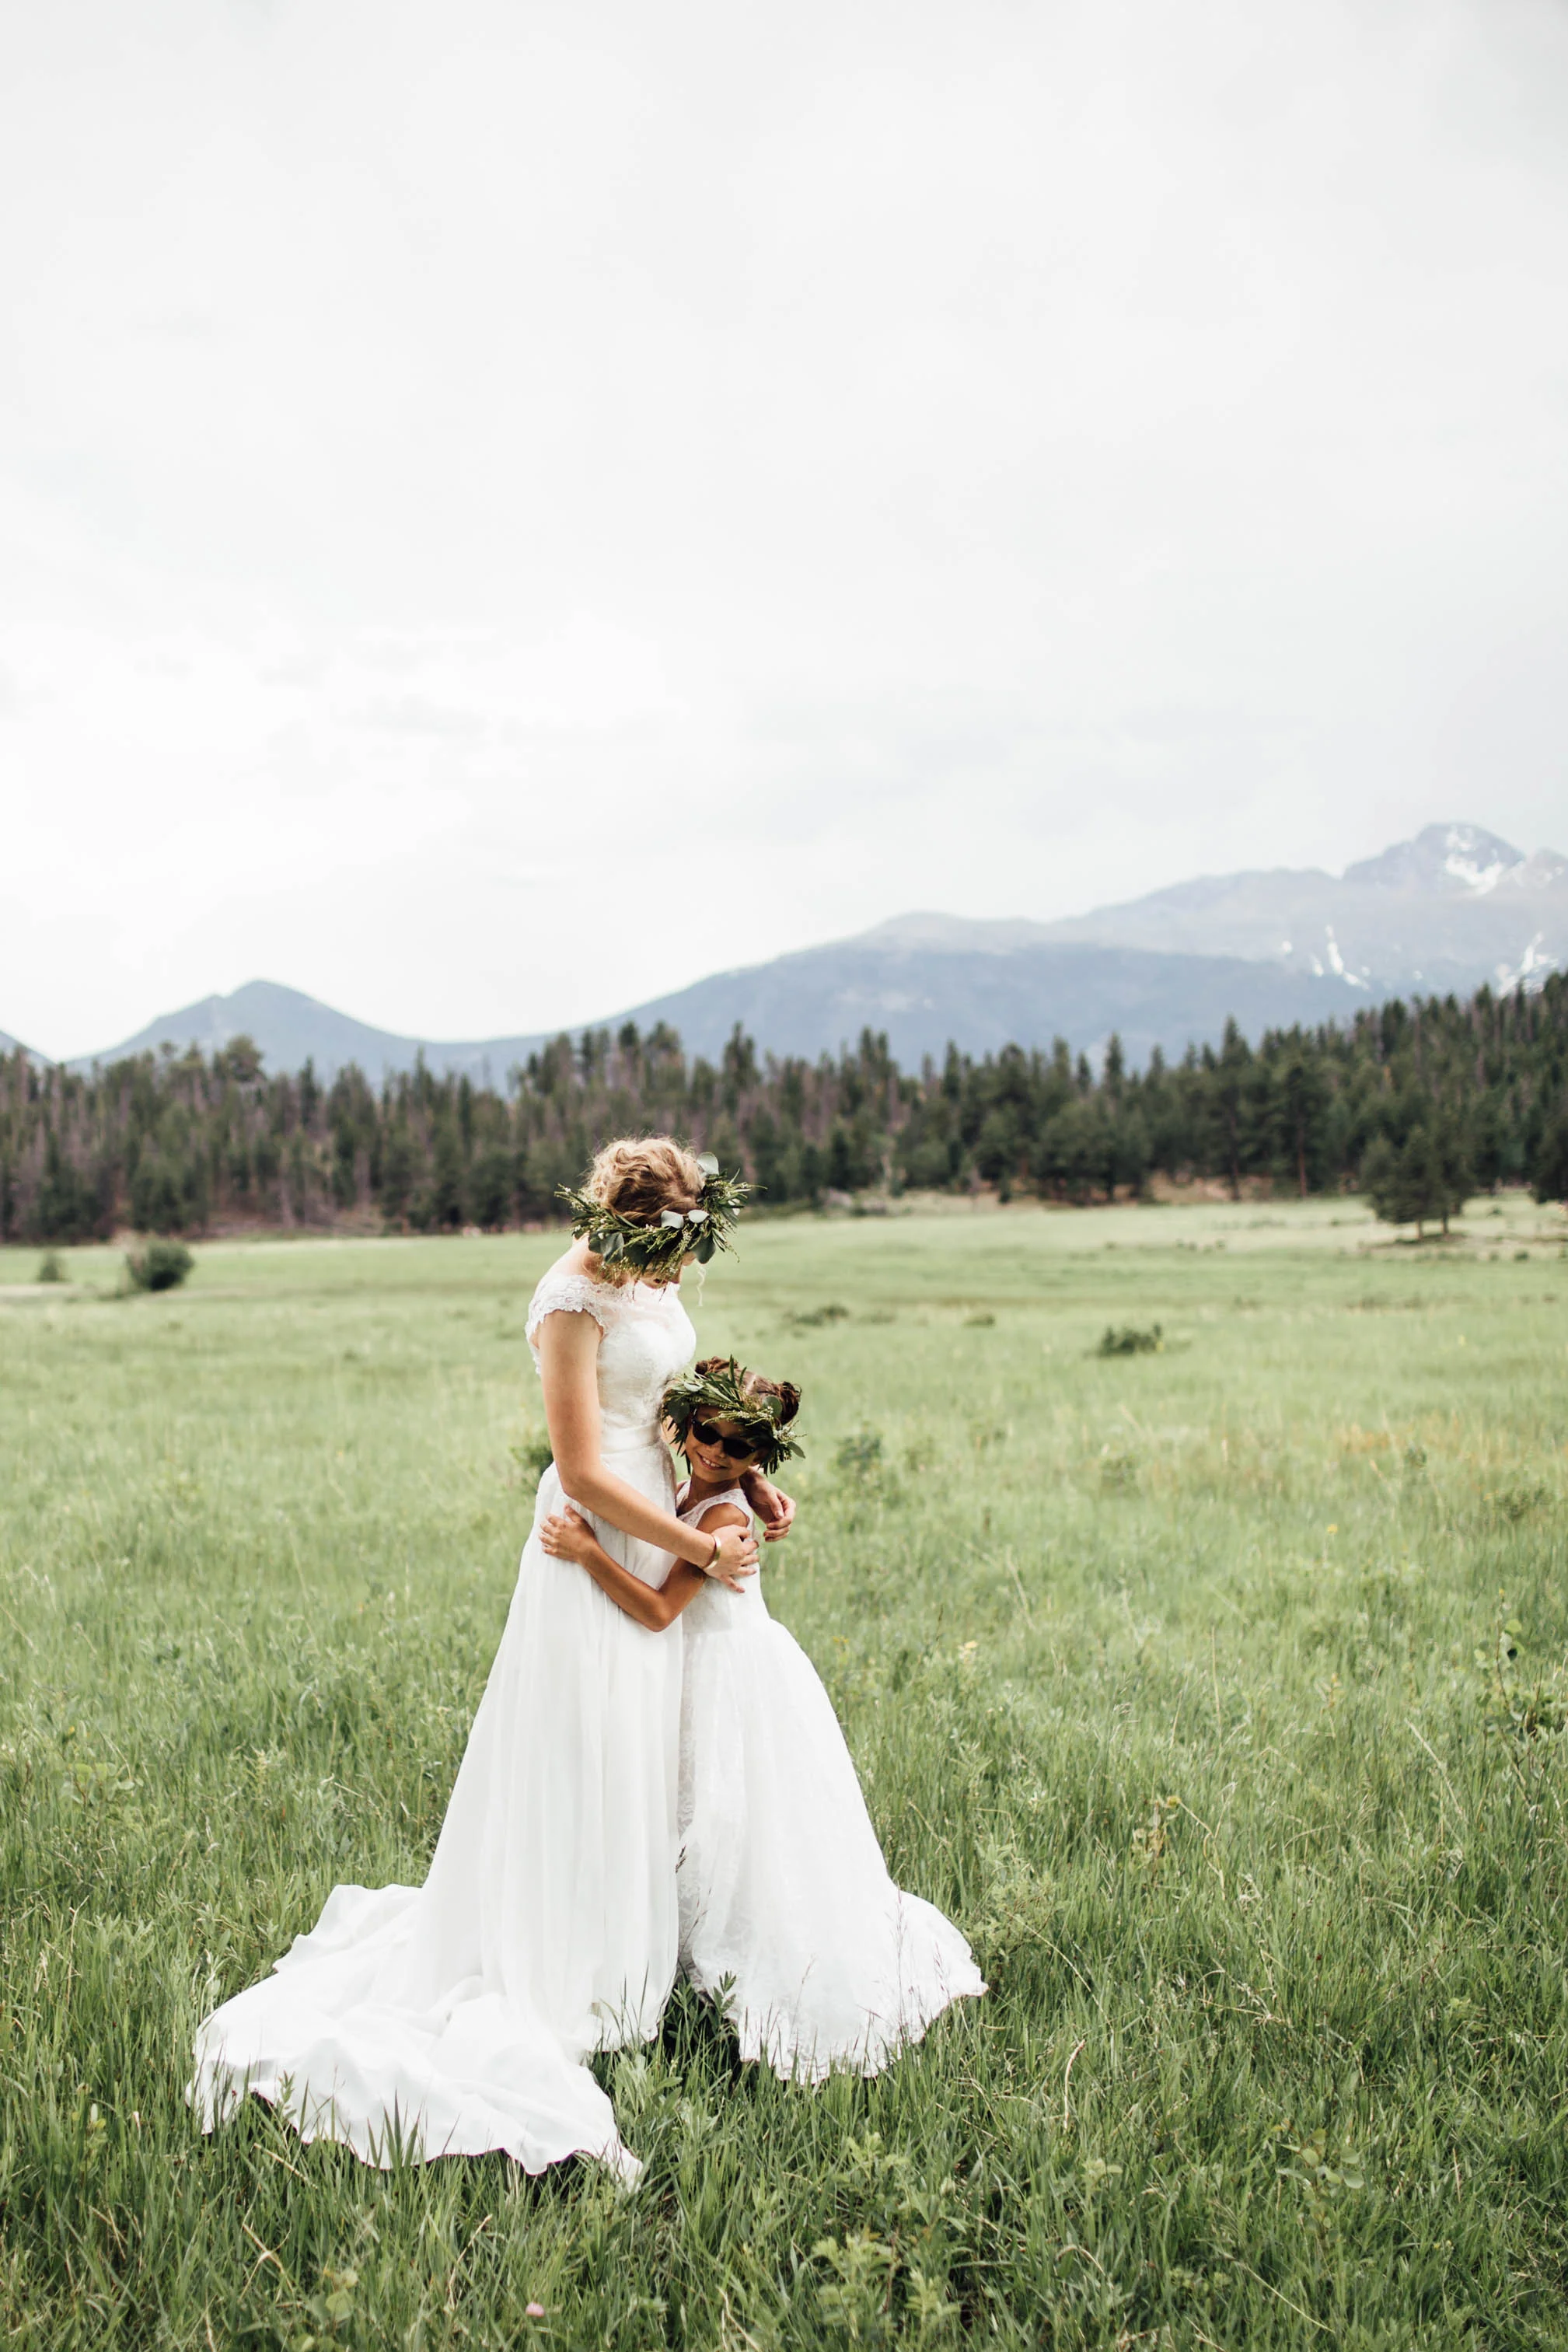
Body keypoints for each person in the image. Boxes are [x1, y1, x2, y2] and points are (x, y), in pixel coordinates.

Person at [190, 1139, 793, 2183]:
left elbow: (669, 1401)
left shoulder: (649, 1278)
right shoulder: (568, 1301)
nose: (673, 1269)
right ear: (615, 1224)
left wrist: (739, 1481)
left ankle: (646, 1957)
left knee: (644, 1744)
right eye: (661, 1247)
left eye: (684, 1248)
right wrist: (698, 1547)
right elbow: (580, 1469)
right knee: (584, 1741)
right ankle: (572, 1962)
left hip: (664, 1511)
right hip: (594, 1531)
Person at [538, 1355, 984, 2084]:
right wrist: (748, 1478)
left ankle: (722, 1973)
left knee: (731, 1827)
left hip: (726, 1680)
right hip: (698, 1670)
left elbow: (659, 1611)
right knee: (696, 1819)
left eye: (738, 1446)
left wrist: (588, 1552)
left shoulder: (721, 1519)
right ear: (684, 1425)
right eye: (706, 1432)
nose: (715, 1450)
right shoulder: (691, 1488)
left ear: (762, 1453)